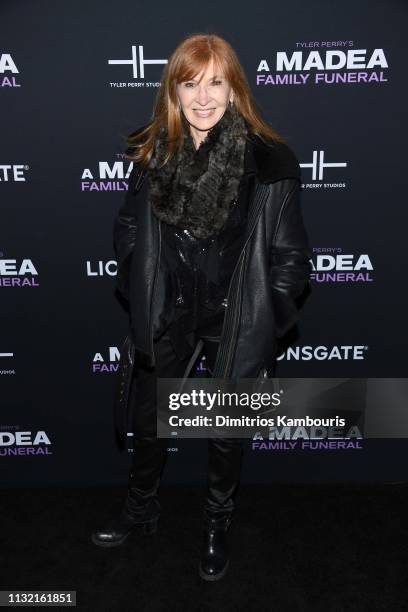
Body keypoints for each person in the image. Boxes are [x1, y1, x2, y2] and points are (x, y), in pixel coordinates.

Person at [91, 32, 312, 582]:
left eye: (216, 82)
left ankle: (216, 522)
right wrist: (141, 280)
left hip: (235, 316)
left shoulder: (270, 163)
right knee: (150, 419)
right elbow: (126, 225)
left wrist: (268, 319)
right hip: (170, 311)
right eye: (191, 83)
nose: (204, 96)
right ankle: (141, 507)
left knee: (225, 430)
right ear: (174, 92)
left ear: (235, 90)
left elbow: (291, 257)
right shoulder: (153, 152)